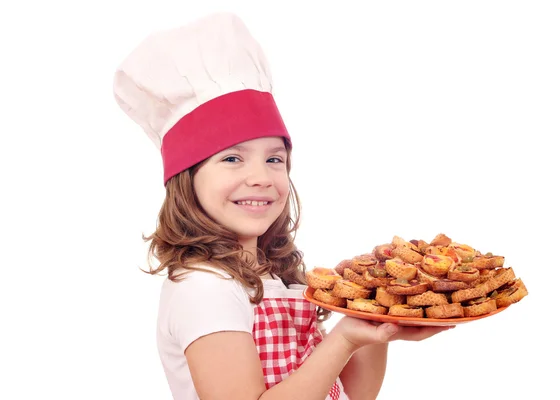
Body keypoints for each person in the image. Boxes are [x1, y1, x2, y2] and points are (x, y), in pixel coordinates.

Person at [113, 12, 453, 400]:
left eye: (274, 159)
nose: (261, 176)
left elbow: (350, 395)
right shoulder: (205, 288)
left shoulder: (274, 278)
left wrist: (375, 316)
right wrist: (341, 341)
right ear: (186, 178)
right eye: (232, 159)